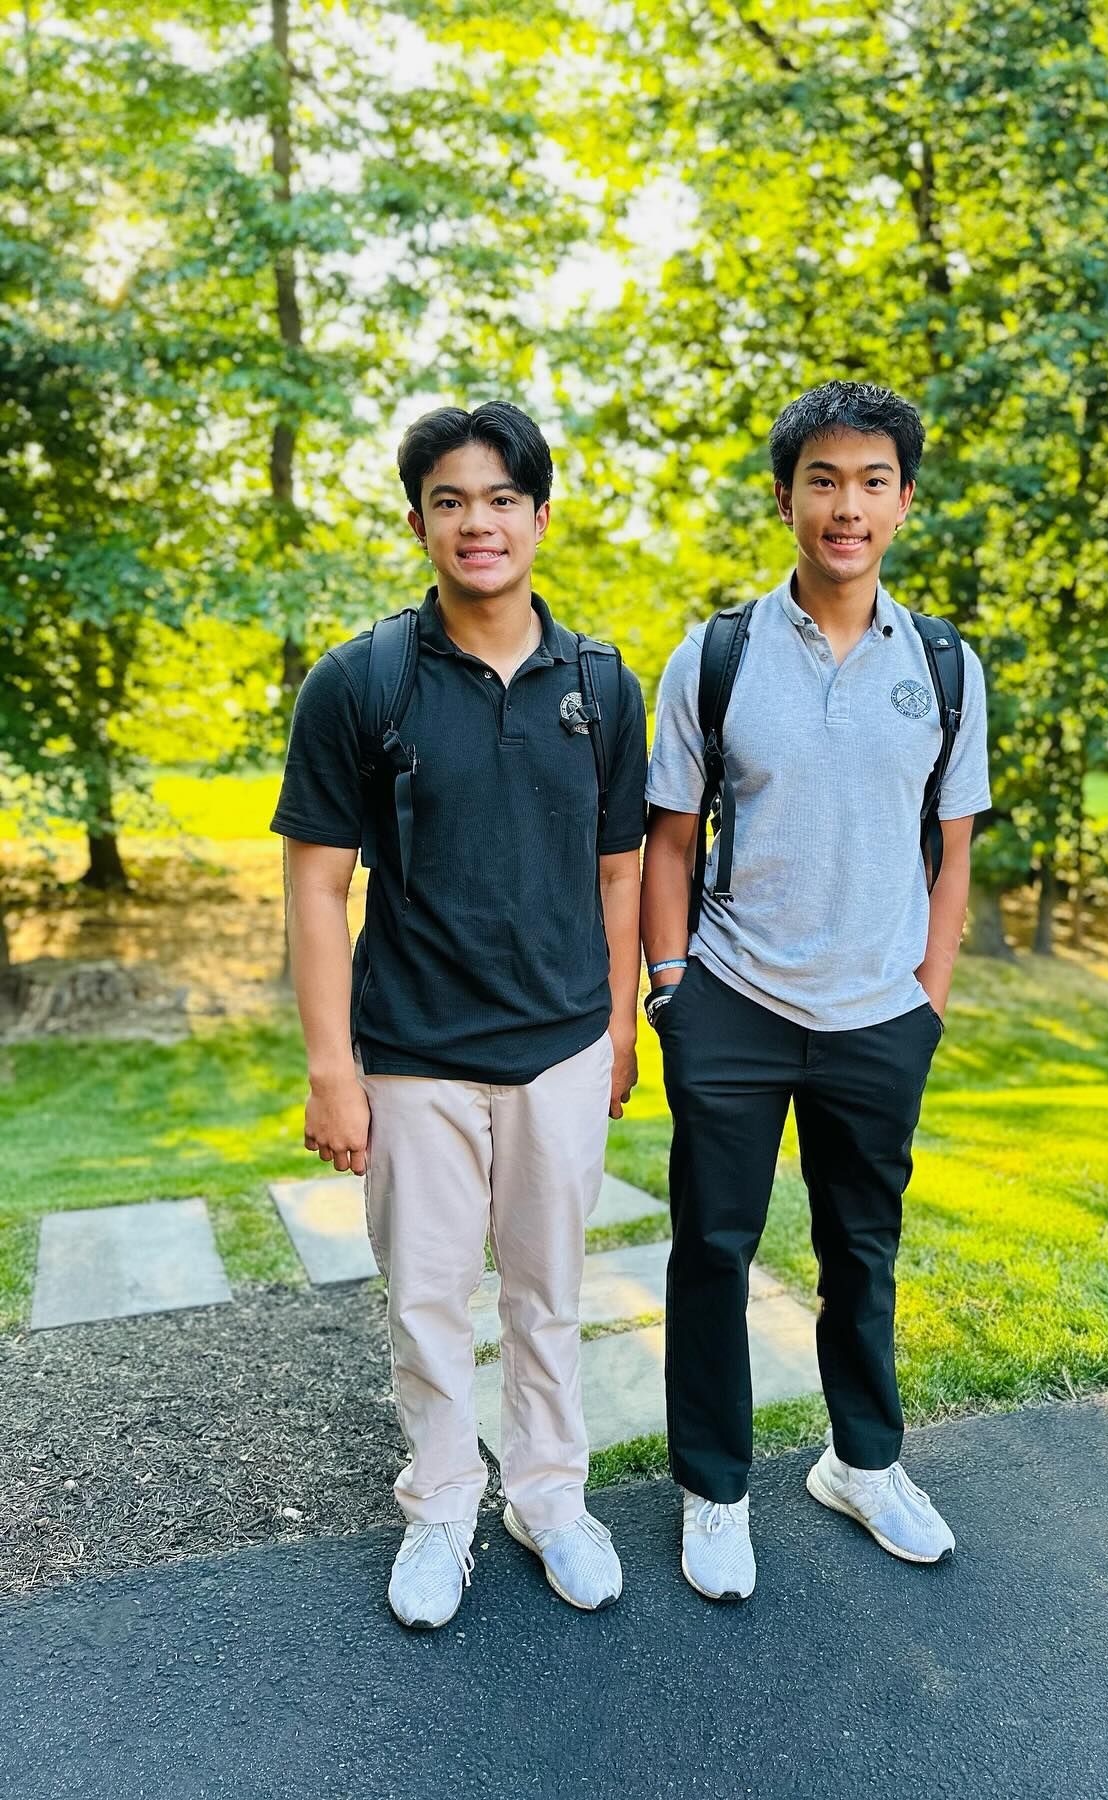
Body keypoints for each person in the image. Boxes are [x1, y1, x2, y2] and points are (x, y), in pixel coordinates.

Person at [272, 402, 647, 1626]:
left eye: (499, 499)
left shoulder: (600, 685)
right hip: (414, 1056)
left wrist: (620, 1028)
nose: (476, 523)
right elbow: (317, 885)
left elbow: (620, 874)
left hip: (557, 1051)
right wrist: (333, 1067)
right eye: (449, 500)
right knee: (427, 1302)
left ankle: (549, 1500)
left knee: (548, 1295)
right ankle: (440, 1510)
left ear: (541, 515)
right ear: (420, 519)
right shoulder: (360, 680)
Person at [641, 380, 990, 1601]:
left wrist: (926, 998)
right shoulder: (717, 653)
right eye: (824, 481)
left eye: (873, 481)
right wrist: (673, 989)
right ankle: (715, 1488)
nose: (848, 506)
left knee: (862, 1249)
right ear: (786, 496)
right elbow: (669, 842)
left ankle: (864, 1463)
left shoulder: (946, 665)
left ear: (903, 500)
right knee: (713, 1252)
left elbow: (952, 851)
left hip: (878, 1015)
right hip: (732, 999)